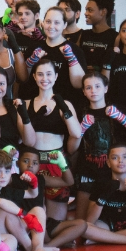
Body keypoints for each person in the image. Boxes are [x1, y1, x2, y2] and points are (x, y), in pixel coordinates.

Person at [69, 72, 126, 220]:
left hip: (114, 172)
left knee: (112, 215)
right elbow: (71, 149)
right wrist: (81, 129)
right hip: (88, 171)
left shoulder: (118, 109)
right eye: (88, 87)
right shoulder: (80, 113)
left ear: (106, 88)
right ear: (84, 92)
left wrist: (121, 118)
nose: (93, 90)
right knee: (82, 220)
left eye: (97, 86)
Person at [25, 59, 82, 221]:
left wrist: (61, 104)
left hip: (56, 161)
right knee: (33, 217)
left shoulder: (66, 104)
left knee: (54, 222)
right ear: (34, 77)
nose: (45, 78)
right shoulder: (27, 103)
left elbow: (77, 133)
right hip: (32, 162)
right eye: (40, 74)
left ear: (56, 77)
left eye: (49, 74)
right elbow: (24, 139)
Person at [18, 7, 85, 100]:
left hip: (64, 104)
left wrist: (71, 58)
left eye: (57, 22)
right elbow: (23, 79)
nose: (51, 26)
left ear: (65, 25)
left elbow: (79, 85)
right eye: (48, 21)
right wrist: (31, 62)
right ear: (43, 23)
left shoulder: (75, 50)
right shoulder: (34, 48)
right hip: (35, 103)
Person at [0, 67, 34, 151]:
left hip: (12, 161)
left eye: (1, 84)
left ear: (7, 85)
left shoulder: (13, 106)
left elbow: (30, 142)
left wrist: (24, 115)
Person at [71, 0, 118, 73]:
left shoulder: (115, 37)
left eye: (90, 10)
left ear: (103, 12)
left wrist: (98, 69)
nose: (85, 13)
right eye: (86, 10)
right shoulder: (83, 35)